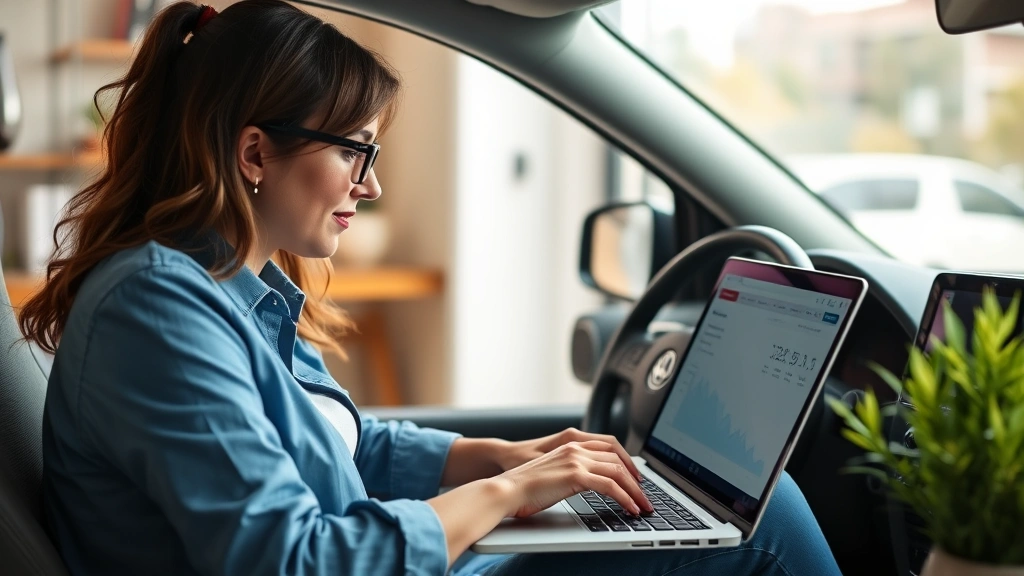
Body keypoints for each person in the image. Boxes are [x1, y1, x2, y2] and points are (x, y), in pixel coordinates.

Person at [20, 1, 843, 575]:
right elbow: (294, 560)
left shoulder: (234, 290)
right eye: (355, 152)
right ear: (256, 154)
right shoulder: (156, 309)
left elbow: (339, 444)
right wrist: (508, 494)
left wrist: (496, 457)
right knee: (763, 524)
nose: (369, 187)